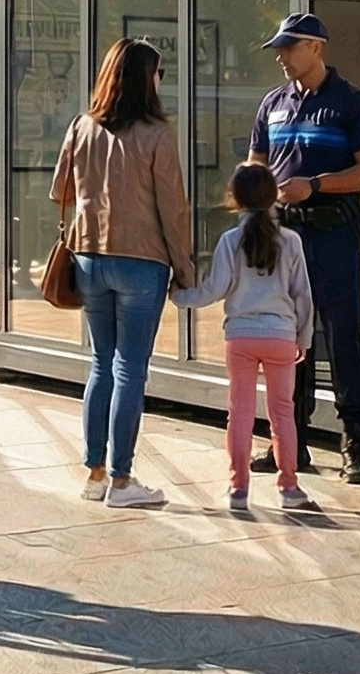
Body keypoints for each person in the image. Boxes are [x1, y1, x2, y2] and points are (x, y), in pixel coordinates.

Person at [51, 37, 196, 510]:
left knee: (100, 364)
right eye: (159, 72)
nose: (161, 81)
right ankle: (122, 479)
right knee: (130, 370)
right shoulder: (158, 133)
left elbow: (62, 192)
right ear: (144, 78)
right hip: (142, 260)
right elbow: (172, 208)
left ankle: (94, 473)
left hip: (89, 257)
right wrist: (184, 266)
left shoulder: (82, 126)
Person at [247, 12, 360, 484]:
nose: (282, 58)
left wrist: (318, 185)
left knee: (343, 334)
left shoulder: (351, 103)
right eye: (280, 49)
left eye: (290, 48)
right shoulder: (272, 104)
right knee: (287, 341)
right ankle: (290, 442)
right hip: (284, 237)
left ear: (316, 47)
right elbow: (257, 166)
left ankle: (355, 445)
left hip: (332, 235)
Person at [175, 163, 316, 512]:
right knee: (283, 412)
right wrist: (304, 337)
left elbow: (215, 289)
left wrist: (179, 295)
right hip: (282, 336)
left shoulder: (229, 241)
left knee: (239, 413)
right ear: (274, 196)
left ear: (234, 199)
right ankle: (289, 486)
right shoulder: (291, 241)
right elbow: (303, 296)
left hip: (240, 336)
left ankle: (238, 489)